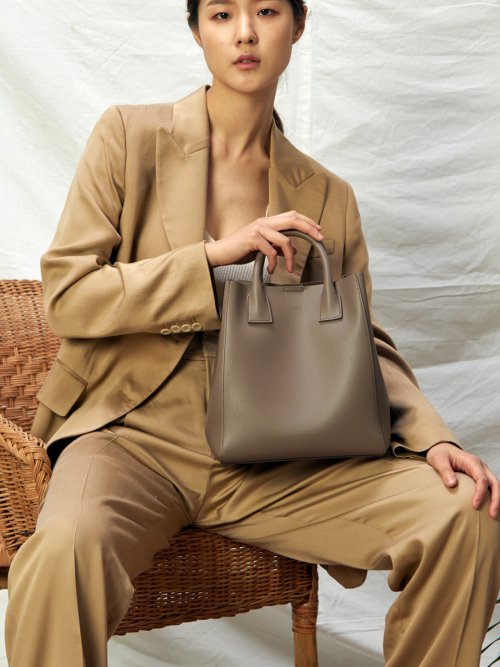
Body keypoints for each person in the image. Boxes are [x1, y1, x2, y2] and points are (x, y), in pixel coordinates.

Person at [5, 1, 500, 665]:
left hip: (276, 457)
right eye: (220, 14)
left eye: (265, 10)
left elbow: (363, 341)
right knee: (64, 551)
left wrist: (432, 436)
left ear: (298, 25)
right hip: (132, 440)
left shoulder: (326, 195)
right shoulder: (129, 137)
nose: (244, 32)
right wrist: (212, 261)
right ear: (195, 29)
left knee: (465, 516)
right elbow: (69, 297)